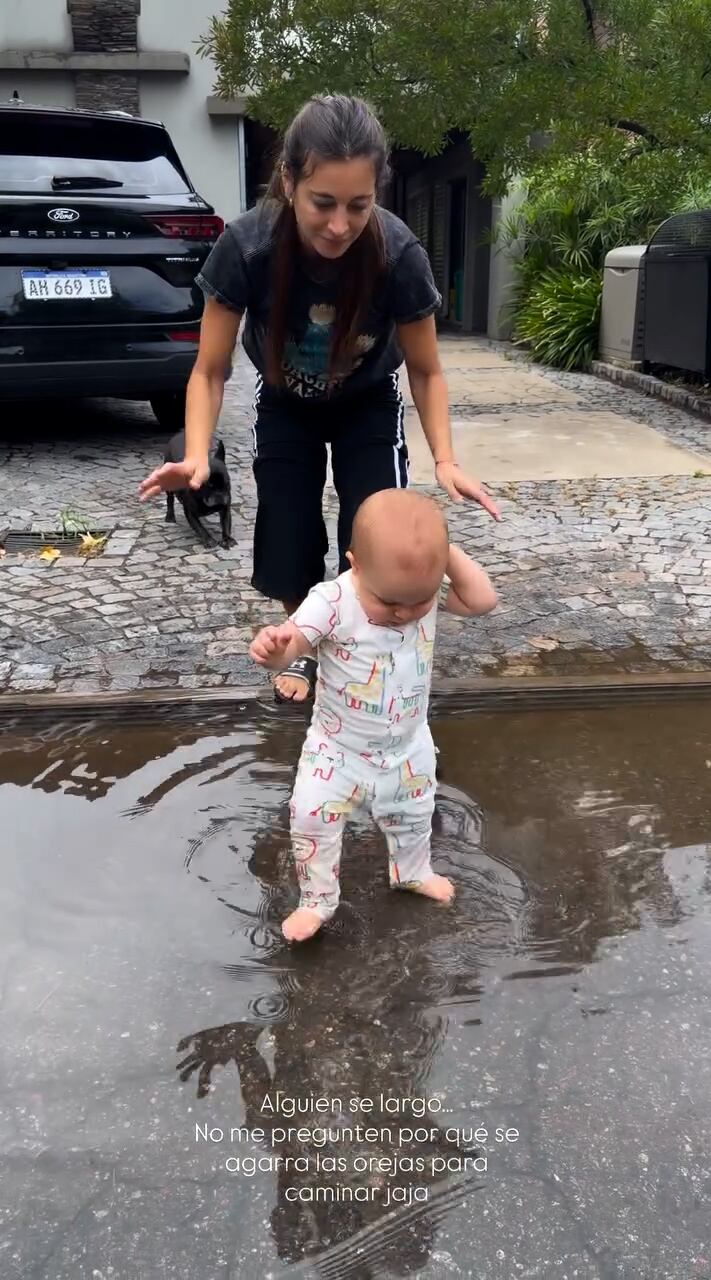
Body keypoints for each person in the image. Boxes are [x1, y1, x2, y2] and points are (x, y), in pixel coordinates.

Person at [139, 94, 499, 704]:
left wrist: (444, 458)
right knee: (289, 525)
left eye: (358, 206)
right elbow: (209, 368)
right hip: (286, 402)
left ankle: (366, 642)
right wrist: (197, 451)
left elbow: (427, 370)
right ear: (289, 180)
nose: (339, 225)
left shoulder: (398, 253)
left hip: (367, 400)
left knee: (378, 524)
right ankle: (302, 644)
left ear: (376, 193)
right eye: (322, 203)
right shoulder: (248, 247)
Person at [249, 489, 497, 941]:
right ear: (355, 564)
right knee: (310, 817)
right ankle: (317, 900)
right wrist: (275, 653)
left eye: (416, 604)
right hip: (336, 750)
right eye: (389, 603)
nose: (402, 615)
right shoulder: (332, 600)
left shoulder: (418, 587)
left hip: (407, 748)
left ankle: (411, 871)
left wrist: (443, 556)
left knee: (415, 815)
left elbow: (482, 600)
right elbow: (295, 643)